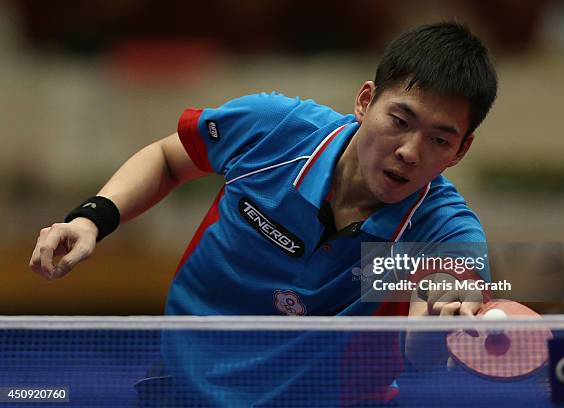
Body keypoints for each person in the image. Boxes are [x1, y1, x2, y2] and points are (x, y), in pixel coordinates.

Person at [30, 22, 498, 406]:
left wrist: (439, 322)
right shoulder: (276, 130)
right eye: (400, 121)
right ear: (364, 101)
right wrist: (92, 218)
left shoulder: (443, 230)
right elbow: (170, 159)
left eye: (440, 139)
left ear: (461, 150)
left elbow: (423, 343)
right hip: (189, 384)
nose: (411, 152)